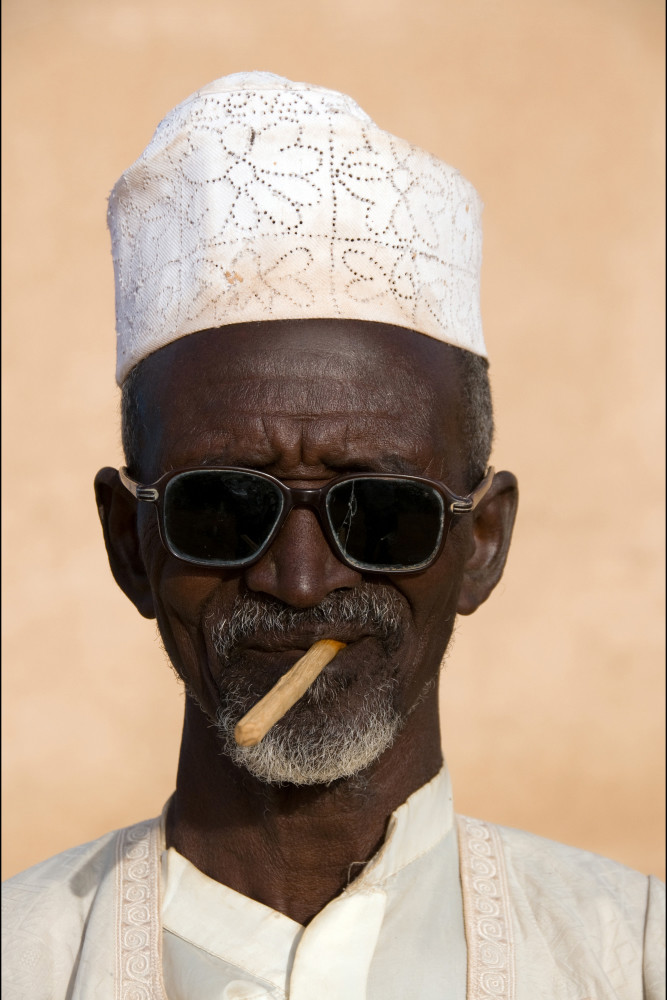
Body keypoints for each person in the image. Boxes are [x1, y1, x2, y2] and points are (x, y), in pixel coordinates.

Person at [2, 71, 663, 1000]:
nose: (302, 581)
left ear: (481, 543)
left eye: (379, 515)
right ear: (128, 542)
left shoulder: (631, 958)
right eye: (224, 509)